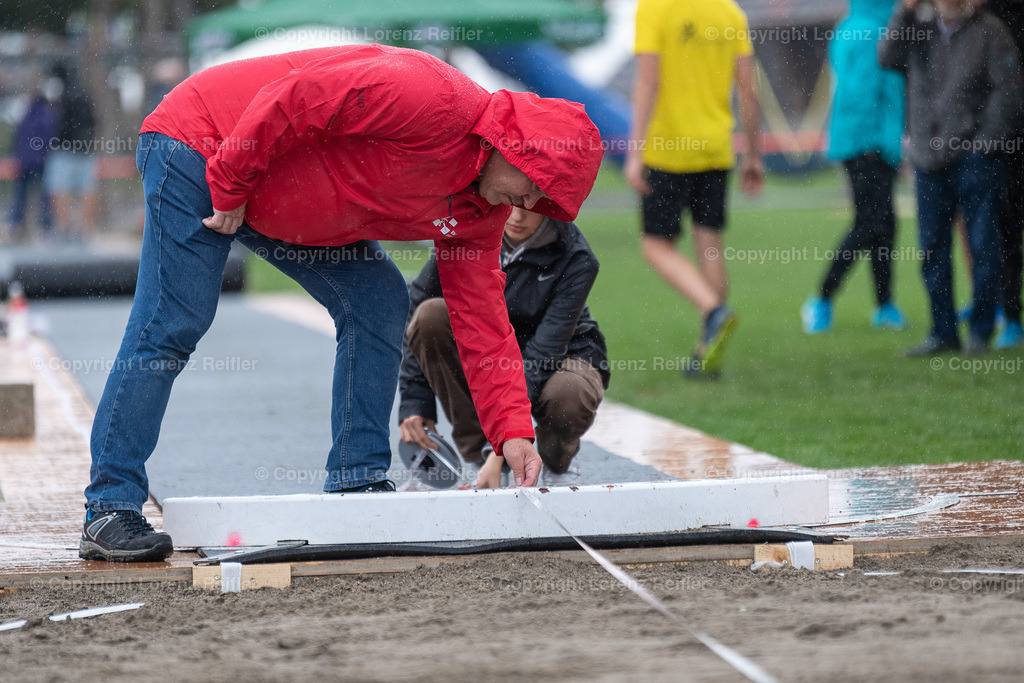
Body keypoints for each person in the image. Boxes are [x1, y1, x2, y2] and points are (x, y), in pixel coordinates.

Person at [79, 44, 604, 562]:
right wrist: (232, 181)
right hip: (203, 144)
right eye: (535, 188)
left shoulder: (480, 209)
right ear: (513, 148)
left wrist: (513, 432)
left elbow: (484, 321)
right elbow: (294, 97)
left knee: (378, 301)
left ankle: (357, 484)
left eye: (544, 203)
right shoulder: (428, 95)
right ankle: (110, 505)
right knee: (175, 318)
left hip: (274, 195)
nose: (530, 207)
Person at [399, 207, 610, 488]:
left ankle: (554, 464)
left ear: (547, 203)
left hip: (561, 355)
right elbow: (414, 310)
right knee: (431, 316)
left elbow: (541, 356)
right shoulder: (466, 231)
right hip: (490, 347)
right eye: (512, 204)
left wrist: (500, 449)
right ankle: (480, 458)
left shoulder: (577, 257)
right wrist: (415, 402)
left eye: (530, 208)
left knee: (570, 392)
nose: (517, 217)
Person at [624, 0, 764, 379]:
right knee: (710, 242)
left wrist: (634, 154)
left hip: (668, 149)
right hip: (716, 148)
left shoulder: (654, 8)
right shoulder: (730, 13)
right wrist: (752, 154)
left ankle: (712, 310)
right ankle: (707, 352)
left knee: (655, 244)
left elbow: (647, 81)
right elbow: (749, 90)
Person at [880, 0, 1023, 356]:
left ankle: (981, 332)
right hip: (929, 158)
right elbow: (887, 57)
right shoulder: (918, 28)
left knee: (983, 247)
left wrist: (986, 143)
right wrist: (904, 11)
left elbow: (1007, 90)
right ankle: (942, 332)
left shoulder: (989, 30)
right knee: (932, 251)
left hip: (975, 158)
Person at [802, 0, 907, 334]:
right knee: (870, 224)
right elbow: (863, 92)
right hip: (868, 143)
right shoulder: (874, 30)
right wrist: (877, 144)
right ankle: (821, 299)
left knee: (884, 225)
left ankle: (884, 306)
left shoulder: (852, 25)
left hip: (866, 141)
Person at [45, 64, 100, 241]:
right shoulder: (83, 94)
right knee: (87, 189)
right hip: (86, 149)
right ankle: (85, 230)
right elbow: (93, 122)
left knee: (59, 188)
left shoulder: (61, 97)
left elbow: (57, 125)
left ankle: (64, 229)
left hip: (64, 150)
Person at [6, 87, 58, 242]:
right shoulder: (48, 118)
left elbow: (17, 140)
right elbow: (50, 140)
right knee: (44, 197)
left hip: (24, 163)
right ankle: (45, 227)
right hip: (41, 164)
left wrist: (19, 159)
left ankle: (15, 226)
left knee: (20, 196)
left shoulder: (25, 118)